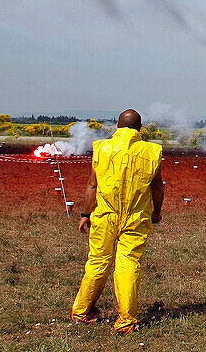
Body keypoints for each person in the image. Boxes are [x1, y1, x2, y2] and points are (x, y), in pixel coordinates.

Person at [71, 109, 164, 334]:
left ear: (117, 126)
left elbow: (92, 185)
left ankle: (82, 310)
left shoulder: (102, 148)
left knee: (98, 262)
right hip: (136, 217)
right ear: (140, 129)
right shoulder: (152, 151)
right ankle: (126, 320)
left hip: (105, 215)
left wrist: (85, 214)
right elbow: (157, 186)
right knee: (129, 265)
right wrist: (157, 211)